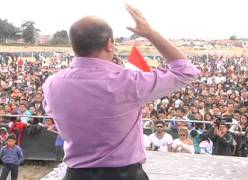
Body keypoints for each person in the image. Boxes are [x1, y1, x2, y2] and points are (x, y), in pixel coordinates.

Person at [42, 4, 199, 180]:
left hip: (76, 174)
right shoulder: (128, 82)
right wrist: (150, 33)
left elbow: (57, 117)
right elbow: (186, 71)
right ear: (110, 44)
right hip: (125, 175)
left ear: (73, 45)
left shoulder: (52, 84)